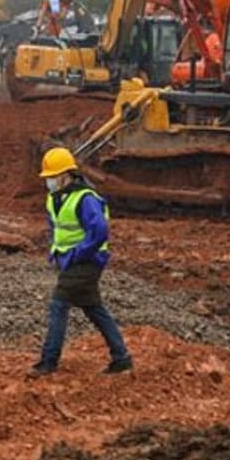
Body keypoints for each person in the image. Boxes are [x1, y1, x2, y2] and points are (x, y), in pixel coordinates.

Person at [28, 147, 132, 377]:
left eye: (52, 177)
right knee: (93, 308)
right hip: (69, 260)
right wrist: (56, 252)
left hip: (87, 261)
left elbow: (99, 231)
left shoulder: (85, 198)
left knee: (59, 305)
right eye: (47, 178)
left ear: (66, 175)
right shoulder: (54, 197)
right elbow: (58, 228)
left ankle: (48, 362)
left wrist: (77, 254)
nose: (49, 182)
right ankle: (121, 357)